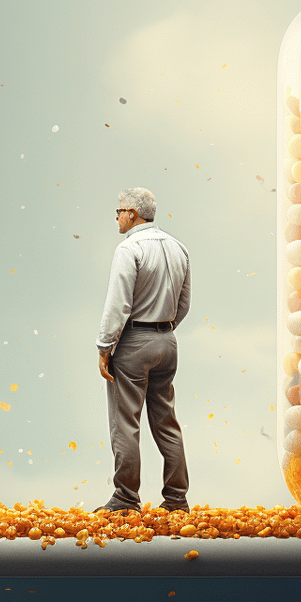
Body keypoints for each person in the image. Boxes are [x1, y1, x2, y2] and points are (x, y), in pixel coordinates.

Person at [92, 187, 191, 514]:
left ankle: (125, 498)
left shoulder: (128, 249)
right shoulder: (179, 248)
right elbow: (184, 303)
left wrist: (105, 346)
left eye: (119, 211)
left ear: (133, 214)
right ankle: (176, 499)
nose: (117, 217)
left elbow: (118, 304)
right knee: (166, 421)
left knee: (125, 423)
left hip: (134, 341)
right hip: (167, 340)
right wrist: (164, 329)